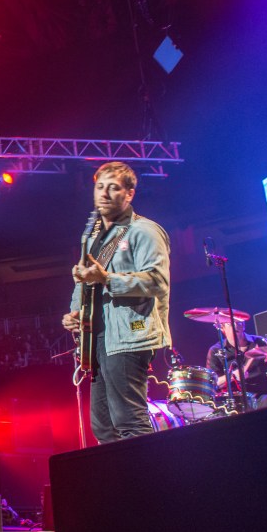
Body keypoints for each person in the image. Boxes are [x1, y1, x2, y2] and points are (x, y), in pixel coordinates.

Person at [62, 161, 171, 443]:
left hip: (129, 335)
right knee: (104, 426)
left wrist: (109, 279)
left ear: (130, 194)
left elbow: (157, 281)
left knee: (129, 422)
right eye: (100, 187)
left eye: (113, 188)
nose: (105, 194)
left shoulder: (144, 231)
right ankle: (121, 484)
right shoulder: (95, 237)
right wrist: (75, 312)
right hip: (98, 338)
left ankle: (148, 484)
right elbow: (83, 279)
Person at [206, 320, 267, 409]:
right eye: (230, 324)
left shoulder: (260, 342)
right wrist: (232, 375)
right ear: (222, 328)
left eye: (238, 322)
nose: (235, 325)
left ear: (243, 326)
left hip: (263, 395)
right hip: (236, 400)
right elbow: (213, 382)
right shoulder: (215, 350)